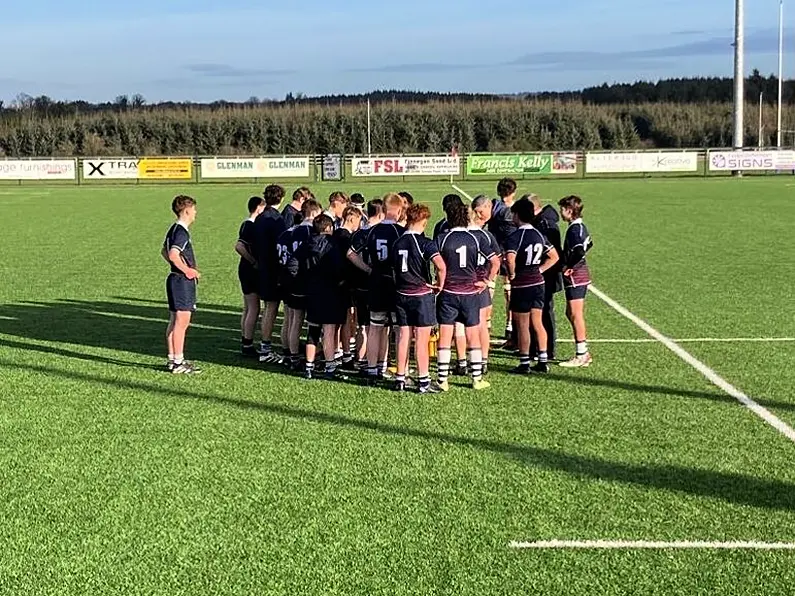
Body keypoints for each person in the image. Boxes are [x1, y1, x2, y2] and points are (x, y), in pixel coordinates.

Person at [435, 203, 498, 391]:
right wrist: (486, 280)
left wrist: (437, 283)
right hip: (471, 293)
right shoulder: (476, 238)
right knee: (473, 336)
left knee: (445, 336)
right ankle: (476, 379)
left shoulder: (442, 238)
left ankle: (442, 380)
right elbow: (495, 261)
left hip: (448, 293)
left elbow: (435, 263)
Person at [348, 193, 405, 383]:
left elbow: (351, 253)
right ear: (397, 210)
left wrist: (368, 269)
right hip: (394, 283)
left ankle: (372, 368)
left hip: (376, 283)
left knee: (375, 326)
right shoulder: (400, 232)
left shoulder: (371, 231)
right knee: (397, 329)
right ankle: (395, 369)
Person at [392, 203, 446, 393]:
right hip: (421, 295)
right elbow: (440, 266)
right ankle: (423, 381)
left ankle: (400, 378)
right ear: (423, 221)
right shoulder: (425, 243)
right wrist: (440, 284)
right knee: (421, 340)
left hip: (401, 294)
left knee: (403, 336)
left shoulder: (397, 242)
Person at [504, 197, 560, 374]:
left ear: (518, 215)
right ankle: (543, 360)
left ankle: (524, 362)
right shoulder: (539, 234)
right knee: (537, 322)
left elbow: (511, 259)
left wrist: (512, 273)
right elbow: (554, 256)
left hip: (522, 285)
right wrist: (540, 270)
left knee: (522, 325)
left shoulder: (515, 236)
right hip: (538, 283)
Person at [288, 214, 348, 380]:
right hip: (330, 292)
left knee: (313, 330)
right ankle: (329, 367)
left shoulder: (306, 244)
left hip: (312, 291)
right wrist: (340, 282)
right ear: (329, 228)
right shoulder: (332, 244)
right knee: (328, 331)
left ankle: (308, 366)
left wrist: (303, 280)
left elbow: (292, 264)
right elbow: (338, 269)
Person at [472, 179, 518, 343]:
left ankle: (487, 325)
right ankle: (510, 326)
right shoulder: (516, 209)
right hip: (510, 254)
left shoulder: (494, 206)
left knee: (489, 289)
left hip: (491, 253)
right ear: (514, 192)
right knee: (509, 290)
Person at [278, 199, 323, 368]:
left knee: (290, 318)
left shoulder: (290, 231)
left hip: (287, 279)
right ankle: (301, 357)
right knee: (304, 320)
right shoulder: (312, 232)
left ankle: (290, 354)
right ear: (314, 212)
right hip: (305, 280)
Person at [162, 195, 201, 374]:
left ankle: (173, 359)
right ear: (186, 210)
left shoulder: (173, 229)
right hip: (181, 281)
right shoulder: (181, 232)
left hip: (174, 278)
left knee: (174, 320)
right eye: (193, 209)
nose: (195, 213)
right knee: (182, 322)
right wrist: (187, 270)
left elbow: (163, 250)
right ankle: (178, 362)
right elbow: (172, 254)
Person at [347, 199, 384, 373]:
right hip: (374, 284)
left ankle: (361, 360)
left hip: (358, 284)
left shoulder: (358, 233)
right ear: (381, 213)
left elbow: (350, 254)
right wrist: (369, 270)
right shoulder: (378, 232)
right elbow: (351, 254)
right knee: (376, 326)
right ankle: (375, 362)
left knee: (363, 325)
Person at [558, 195, 594, 368]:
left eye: (562, 209)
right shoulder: (580, 227)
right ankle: (583, 351)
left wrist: (569, 266)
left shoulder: (574, 229)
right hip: (579, 274)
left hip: (576, 276)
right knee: (570, 313)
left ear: (569, 211)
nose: (561, 213)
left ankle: (582, 354)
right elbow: (590, 243)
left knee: (575, 313)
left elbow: (579, 250)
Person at [253, 184, 287, 363]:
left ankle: (265, 346)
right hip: (274, 270)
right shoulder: (276, 219)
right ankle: (266, 348)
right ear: (281, 199)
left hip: (262, 267)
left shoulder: (259, 218)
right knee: (272, 309)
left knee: (268, 308)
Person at [468, 201, 502, 376]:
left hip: (466, 285)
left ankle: (469, 359)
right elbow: (497, 260)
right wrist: (488, 280)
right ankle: (483, 360)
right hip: (480, 284)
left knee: (465, 324)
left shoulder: (465, 235)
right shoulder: (486, 236)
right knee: (481, 324)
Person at [528, 193, 563, 361]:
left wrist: (540, 270)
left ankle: (548, 349)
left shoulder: (546, 224)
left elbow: (553, 253)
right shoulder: (539, 222)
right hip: (540, 275)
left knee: (545, 311)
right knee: (536, 311)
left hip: (547, 275)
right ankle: (535, 347)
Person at [334, 205, 365, 369]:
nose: (359, 225)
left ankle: (339, 350)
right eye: (358, 221)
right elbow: (349, 259)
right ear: (351, 218)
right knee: (345, 319)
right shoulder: (346, 237)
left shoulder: (335, 234)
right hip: (344, 282)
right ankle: (345, 353)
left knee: (341, 320)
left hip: (337, 281)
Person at [235, 196, 266, 357]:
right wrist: (253, 261)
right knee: (254, 307)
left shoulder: (247, 224)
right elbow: (239, 246)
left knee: (248, 307)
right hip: (249, 269)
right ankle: (247, 343)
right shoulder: (250, 225)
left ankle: (245, 340)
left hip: (245, 269)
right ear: (259, 208)